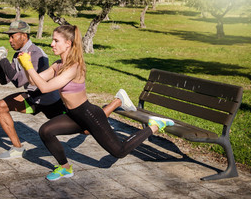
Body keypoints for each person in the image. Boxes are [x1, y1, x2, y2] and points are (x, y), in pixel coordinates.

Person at [18, 25, 174, 181]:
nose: (52, 44)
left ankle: (155, 125)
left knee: (119, 151)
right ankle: (65, 168)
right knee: (46, 131)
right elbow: (33, 80)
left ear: (68, 43)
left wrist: (29, 65)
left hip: (89, 114)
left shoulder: (75, 67)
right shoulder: (58, 65)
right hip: (73, 115)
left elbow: (44, 88)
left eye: (56, 40)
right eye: (53, 40)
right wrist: (26, 66)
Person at [0, 20, 65, 160]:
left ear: (24, 36)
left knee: (85, 129)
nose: (10, 40)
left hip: (51, 102)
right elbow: (4, 80)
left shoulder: (36, 53)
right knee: (0, 107)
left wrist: (3, 59)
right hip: (33, 99)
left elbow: (19, 81)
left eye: (13, 36)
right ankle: (17, 149)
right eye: (9, 37)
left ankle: (112, 106)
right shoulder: (18, 54)